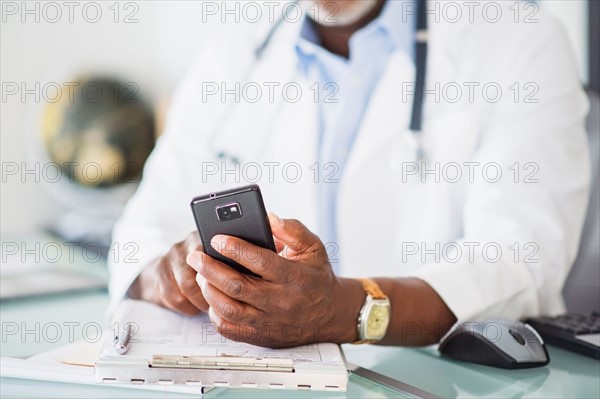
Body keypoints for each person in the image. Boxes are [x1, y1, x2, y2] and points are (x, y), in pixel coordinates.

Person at [109, 0, 590, 348]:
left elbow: (519, 262)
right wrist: (165, 275)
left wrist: (347, 310)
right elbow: (142, 224)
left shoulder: (519, 42)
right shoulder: (240, 45)